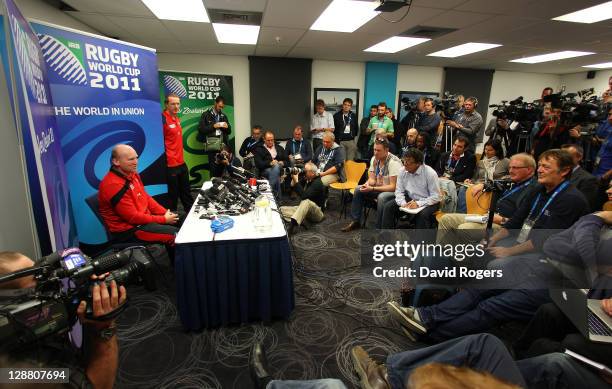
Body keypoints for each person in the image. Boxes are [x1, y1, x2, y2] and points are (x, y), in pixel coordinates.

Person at [388, 149, 590, 342]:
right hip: (520, 243)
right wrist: (491, 241)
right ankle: (432, 311)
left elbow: (542, 241)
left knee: (489, 279)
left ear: (564, 171)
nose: (540, 169)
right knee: (477, 262)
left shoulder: (572, 200)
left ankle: (429, 322)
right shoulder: (539, 188)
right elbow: (515, 222)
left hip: (545, 260)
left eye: (546, 167)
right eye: (541, 165)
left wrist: (507, 251)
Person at [0, 251, 127, 389]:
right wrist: (104, 329)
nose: (54, 292)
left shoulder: (28, 328)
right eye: (41, 288)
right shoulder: (16, 374)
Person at [437, 153, 538, 245]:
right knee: (446, 219)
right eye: (510, 167)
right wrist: (483, 185)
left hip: (504, 226)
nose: (511, 171)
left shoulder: (533, 190)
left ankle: (461, 262)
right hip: (487, 217)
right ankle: (442, 256)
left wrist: (503, 220)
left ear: (529, 170)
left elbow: (527, 223)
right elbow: (496, 182)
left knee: (465, 229)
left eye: (515, 168)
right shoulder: (512, 181)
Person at [98, 144, 179, 246]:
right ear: (116, 161)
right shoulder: (113, 185)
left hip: (142, 221)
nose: (136, 162)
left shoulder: (132, 173)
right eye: (131, 159)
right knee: (178, 236)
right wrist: (163, 219)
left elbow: (145, 197)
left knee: (183, 221)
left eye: (136, 158)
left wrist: (165, 213)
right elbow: (133, 218)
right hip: (129, 230)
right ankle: (179, 262)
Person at [341, 138, 402, 232]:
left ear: (386, 150)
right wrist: (367, 184)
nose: (375, 153)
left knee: (382, 197)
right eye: (374, 150)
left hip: (392, 192)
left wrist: (372, 188)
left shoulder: (393, 163)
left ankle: (379, 229)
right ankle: (356, 221)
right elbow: (372, 179)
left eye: (378, 150)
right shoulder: (375, 159)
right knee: (358, 189)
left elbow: (393, 187)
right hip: (377, 187)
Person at [380, 148, 440, 229]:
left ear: (418, 163)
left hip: (429, 201)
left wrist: (418, 204)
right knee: (388, 207)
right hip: (411, 198)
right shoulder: (402, 171)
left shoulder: (430, 173)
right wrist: (403, 203)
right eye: (404, 161)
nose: (405, 164)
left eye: (408, 162)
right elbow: (399, 191)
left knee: (422, 215)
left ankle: (420, 240)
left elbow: (436, 197)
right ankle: (386, 237)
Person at [455, 138, 510, 213]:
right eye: (485, 149)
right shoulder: (480, 163)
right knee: (463, 188)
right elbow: (475, 178)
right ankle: (461, 213)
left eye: (490, 150)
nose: (486, 152)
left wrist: (501, 179)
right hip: (478, 185)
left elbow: (510, 177)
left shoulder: (505, 162)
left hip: (493, 187)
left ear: (497, 151)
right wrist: (469, 181)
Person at [162, 93, 194, 213]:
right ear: (166, 104)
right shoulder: (162, 119)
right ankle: (174, 223)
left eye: (178, 103)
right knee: (173, 197)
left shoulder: (176, 118)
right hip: (170, 165)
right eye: (173, 104)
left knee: (186, 193)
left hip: (181, 162)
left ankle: (192, 216)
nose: (176, 106)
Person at [279, 162, 326, 234]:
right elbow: (293, 188)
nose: (303, 172)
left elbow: (304, 196)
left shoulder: (317, 183)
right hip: (305, 209)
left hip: (317, 213)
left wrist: (297, 181)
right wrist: (294, 179)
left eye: (306, 171)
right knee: (281, 210)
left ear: (312, 173)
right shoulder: (307, 179)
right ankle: (301, 219)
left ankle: (292, 226)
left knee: (306, 201)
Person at [198, 96, 231, 177]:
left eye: (222, 107)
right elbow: (201, 129)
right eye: (219, 106)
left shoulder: (223, 116)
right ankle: (214, 188)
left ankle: (223, 188)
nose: (220, 108)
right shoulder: (206, 115)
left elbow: (229, 131)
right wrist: (214, 126)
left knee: (223, 171)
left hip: (223, 147)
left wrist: (227, 127)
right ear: (215, 103)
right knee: (213, 171)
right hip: (212, 147)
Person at [561, 144, 600, 211]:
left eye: (567, 156)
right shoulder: (555, 173)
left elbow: (583, 206)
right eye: (560, 156)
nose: (562, 159)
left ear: (579, 157)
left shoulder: (588, 179)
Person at [254, 130, 288, 199]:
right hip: (265, 170)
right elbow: (258, 164)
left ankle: (269, 192)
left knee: (276, 167)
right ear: (264, 139)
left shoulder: (279, 148)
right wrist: (270, 163)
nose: (270, 142)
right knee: (276, 173)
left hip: (280, 169)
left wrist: (283, 162)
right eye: (268, 140)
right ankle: (278, 199)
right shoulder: (259, 149)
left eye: (272, 140)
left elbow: (288, 161)